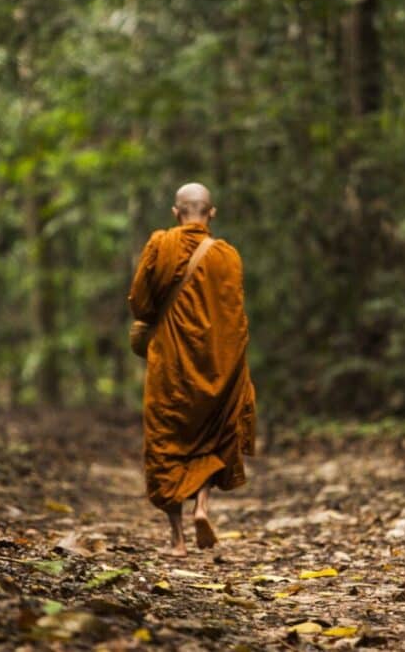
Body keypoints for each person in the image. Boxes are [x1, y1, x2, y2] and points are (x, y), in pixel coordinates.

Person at [128, 182, 257, 557]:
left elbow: (140, 303)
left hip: (171, 367)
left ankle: (178, 540)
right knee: (213, 436)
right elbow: (235, 318)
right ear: (211, 213)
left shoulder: (160, 245)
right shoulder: (228, 256)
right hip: (219, 366)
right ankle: (203, 506)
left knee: (167, 443)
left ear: (175, 212)